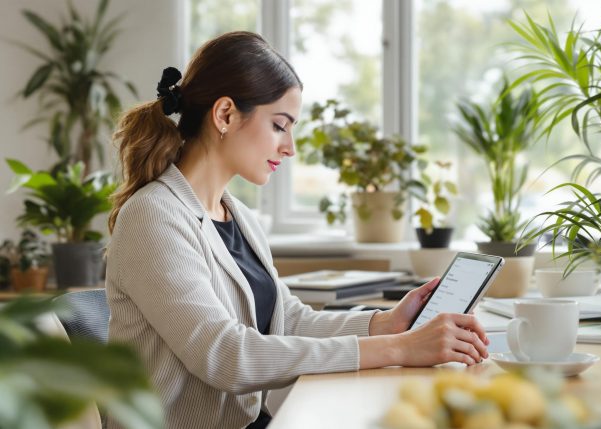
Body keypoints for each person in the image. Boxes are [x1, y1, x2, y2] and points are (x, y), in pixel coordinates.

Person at [106, 31, 489, 429]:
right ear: (225, 115)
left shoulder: (238, 218)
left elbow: (290, 321)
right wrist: (399, 348)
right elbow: (225, 356)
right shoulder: (153, 217)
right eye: (279, 126)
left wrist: (386, 323)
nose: (290, 147)